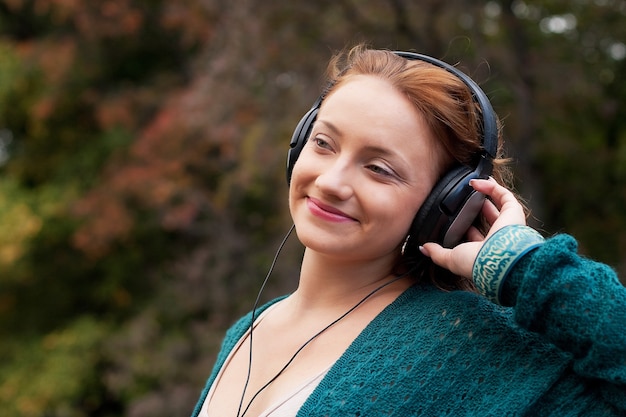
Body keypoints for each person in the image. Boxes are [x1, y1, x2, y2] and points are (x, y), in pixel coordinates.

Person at [191, 45, 626, 417]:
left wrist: (523, 266)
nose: (330, 181)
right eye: (323, 143)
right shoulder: (246, 332)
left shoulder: (470, 346)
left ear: (445, 205)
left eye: (379, 169)